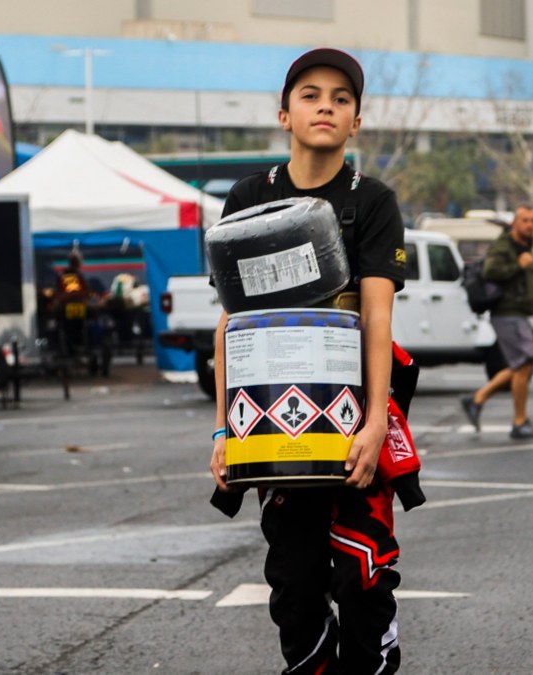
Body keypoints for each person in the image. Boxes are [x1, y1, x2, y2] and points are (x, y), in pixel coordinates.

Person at [208, 48, 416, 674]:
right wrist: (223, 429)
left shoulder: (372, 201)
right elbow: (231, 323)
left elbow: (378, 318)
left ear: (355, 122)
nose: (325, 105)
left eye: (341, 98)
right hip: (273, 426)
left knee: (362, 577)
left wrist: (376, 423)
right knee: (294, 589)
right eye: (310, 94)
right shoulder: (249, 196)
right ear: (283, 113)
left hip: (354, 420)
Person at [459, 205, 533, 440]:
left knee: (521, 366)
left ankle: (477, 400)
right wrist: (517, 265)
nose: (529, 225)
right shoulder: (504, 246)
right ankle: (519, 422)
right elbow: (491, 272)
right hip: (506, 313)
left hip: (520, 313)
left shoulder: (525, 247)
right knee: (524, 363)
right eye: (525, 220)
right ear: (514, 223)